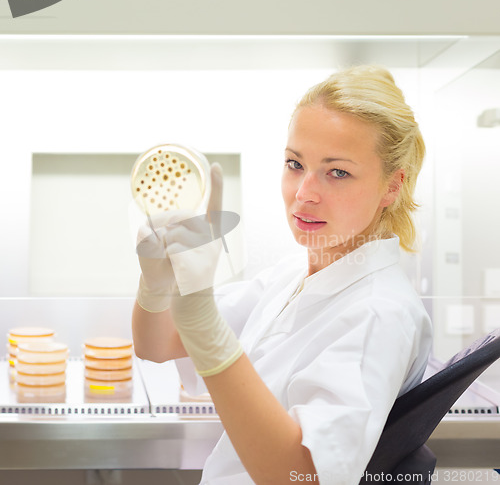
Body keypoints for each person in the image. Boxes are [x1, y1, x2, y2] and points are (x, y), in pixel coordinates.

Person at [132, 65, 433, 485]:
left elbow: (303, 477)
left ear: (392, 186)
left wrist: (204, 323)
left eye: (338, 172)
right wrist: (157, 283)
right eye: (295, 164)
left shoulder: (378, 314)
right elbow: (157, 345)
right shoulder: (295, 274)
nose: (304, 192)